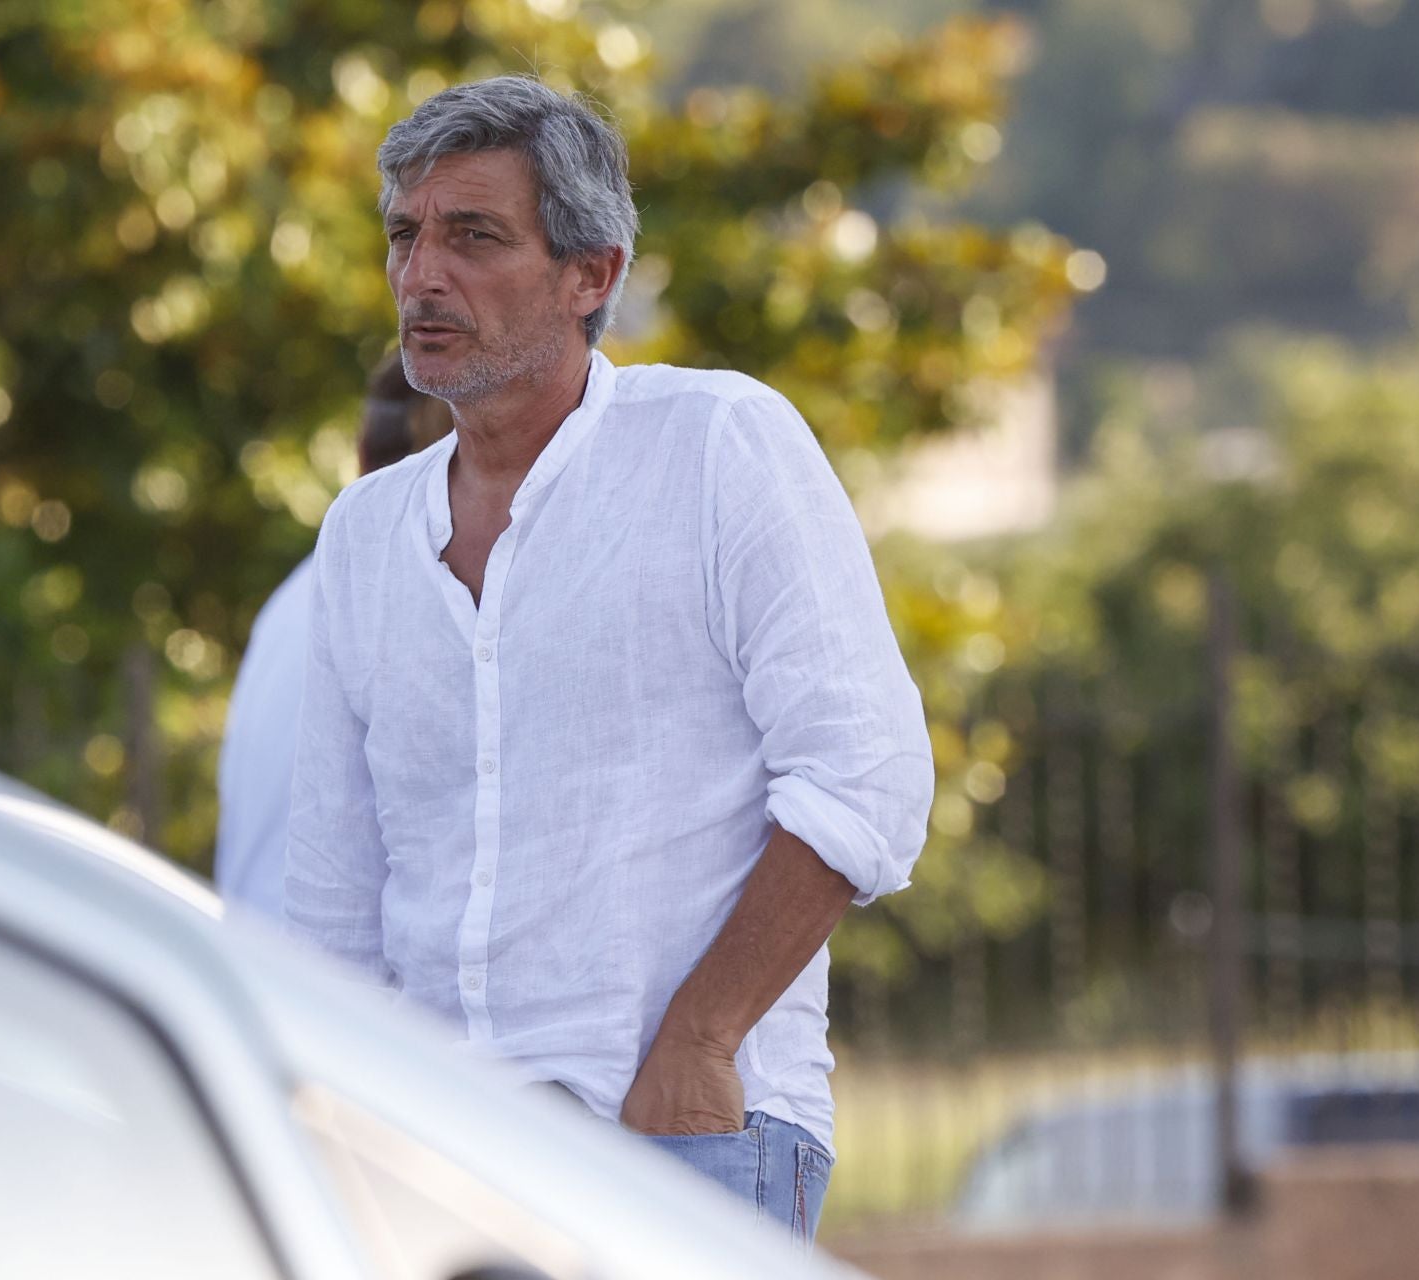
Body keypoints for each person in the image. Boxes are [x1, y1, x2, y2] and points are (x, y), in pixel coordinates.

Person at [284, 75, 933, 1248]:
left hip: (680, 1134)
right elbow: (335, 896)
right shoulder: (362, 535)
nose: (421, 275)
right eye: (404, 234)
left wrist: (702, 1039)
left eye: (474, 236)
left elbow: (866, 774)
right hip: (436, 1161)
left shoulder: (718, 445)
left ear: (593, 274)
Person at [215, 358, 451, 918]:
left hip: (251, 949)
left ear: (361, 454)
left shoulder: (300, 593)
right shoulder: (404, 596)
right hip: (312, 965)